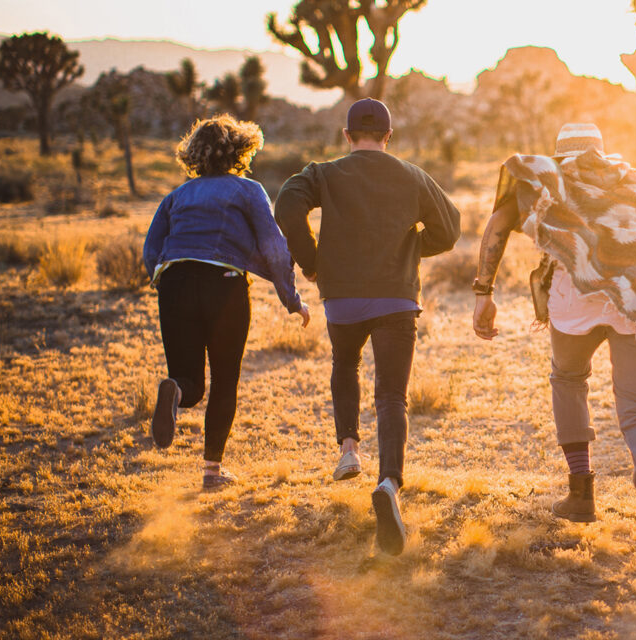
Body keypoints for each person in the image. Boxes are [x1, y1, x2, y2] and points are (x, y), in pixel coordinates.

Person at [472, 123, 636, 606]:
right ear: (602, 151)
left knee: (569, 380)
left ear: (560, 153)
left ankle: (581, 494)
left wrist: (483, 291)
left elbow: (497, 225)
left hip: (572, 305)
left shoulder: (547, 179)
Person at [274, 98, 460, 555]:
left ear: (348, 135)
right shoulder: (413, 176)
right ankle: (390, 485)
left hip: (343, 299)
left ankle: (349, 451)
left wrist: (312, 260)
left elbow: (285, 207)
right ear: (388, 137)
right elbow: (451, 228)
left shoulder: (324, 173)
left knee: (345, 362)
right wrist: (413, 246)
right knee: (392, 394)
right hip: (397, 296)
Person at [143, 114, 310, 490]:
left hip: (175, 281)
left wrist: (164, 281)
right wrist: (292, 299)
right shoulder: (248, 190)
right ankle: (211, 473)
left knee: (190, 381)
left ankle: (176, 390)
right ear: (240, 150)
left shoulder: (177, 195)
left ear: (194, 154)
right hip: (224, 284)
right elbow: (273, 247)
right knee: (224, 379)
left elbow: (151, 248)